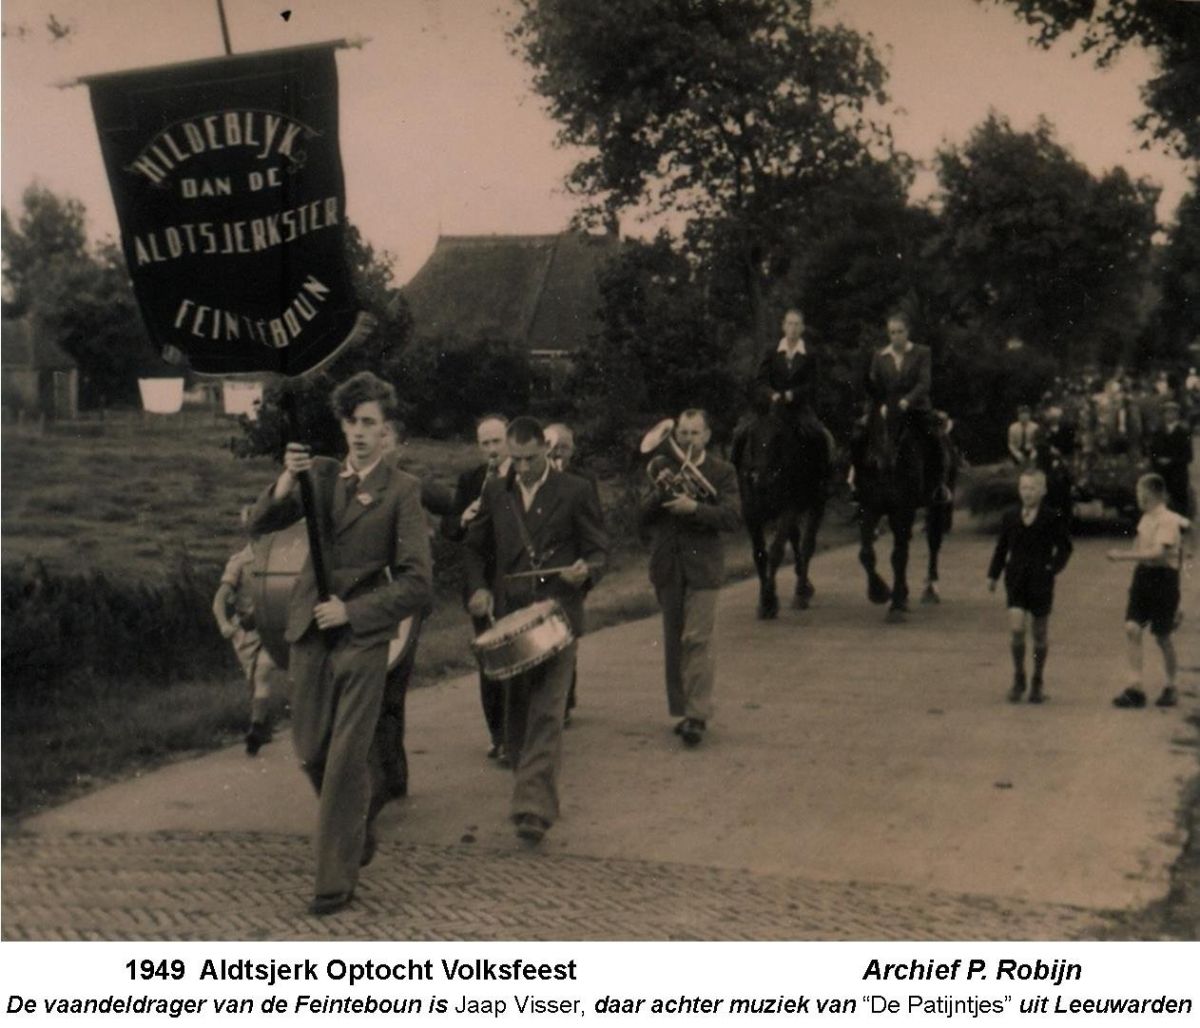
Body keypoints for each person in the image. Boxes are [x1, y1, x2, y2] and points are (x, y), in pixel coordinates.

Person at [249, 371, 432, 915]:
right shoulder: (321, 475)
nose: (358, 432)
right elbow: (262, 522)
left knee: (347, 758)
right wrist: (286, 480)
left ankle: (333, 882)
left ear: (387, 431)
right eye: (351, 421)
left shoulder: (403, 492)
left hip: (363, 637)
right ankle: (355, 833)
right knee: (310, 750)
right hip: (309, 631)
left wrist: (352, 610)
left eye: (369, 423)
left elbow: (419, 582)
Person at [464, 416, 608, 844]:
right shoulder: (496, 490)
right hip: (511, 617)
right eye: (516, 459)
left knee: (547, 711)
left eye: (529, 459)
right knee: (518, 715)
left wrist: (586, 570)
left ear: (546, 450)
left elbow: (598, 549)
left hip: (558, 617)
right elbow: (475, 548)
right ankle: (529, 783)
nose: (521, 468)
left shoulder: (575, 490)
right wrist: (478, 589)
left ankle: (532, 808)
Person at [365, 418, 456, 806]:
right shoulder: (352, 482)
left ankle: (392, 776)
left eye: (387, 437)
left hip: (405, 604)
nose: (379, 444)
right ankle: (377, 777)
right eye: (375, 436)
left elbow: (453, 506)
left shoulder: (410, 485)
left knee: (391, 691)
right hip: (364, 601)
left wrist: (436, 537)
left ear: (400, 445)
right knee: (367, 689)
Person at [639, 409, 741, 746]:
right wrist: (661, 493)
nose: (687, 440)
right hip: (668, 564)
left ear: (707, 436)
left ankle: (697, 715)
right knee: (674, 641)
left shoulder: (722, 472)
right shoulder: (660, 468)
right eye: (682, 433)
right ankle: (683, 710)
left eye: (695, 433)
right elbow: (641, 516)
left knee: (697, 639)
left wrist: (694, 508)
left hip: (703, 567)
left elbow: (732, 516)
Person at [442, 414, 512, 762]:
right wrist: (464, 518)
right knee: (490, 661)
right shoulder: (471, 480)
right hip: (481, 584)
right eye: (484, 444)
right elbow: (450, 530)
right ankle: (498, 735)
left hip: (515, 580)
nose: (491, 450)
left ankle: (520, 732)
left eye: (497, 442)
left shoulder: (521, 474)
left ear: (508, 441)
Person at [986, 469, 1073, 703]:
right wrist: (993, 575)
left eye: (1033, 488)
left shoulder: (1052, 516)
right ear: (1019, 490)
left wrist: (1052, 568)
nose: (1028, 493)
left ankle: (1037, 680)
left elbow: (1065, 548)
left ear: (1043, 491)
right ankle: (1018, 677)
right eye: (1024, 488)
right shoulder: (1011, 516)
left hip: (1040, 581)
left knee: (1039, 633)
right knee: (1016, 630)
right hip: (1015, 578)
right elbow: (1001, 548)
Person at [1109, 474, 1190, 710]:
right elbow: (1140, 546)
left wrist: (1123, 556)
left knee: (1162, 636)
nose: (1138, 498)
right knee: (1132, 628)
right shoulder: (1146, 518)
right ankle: (1135, 688)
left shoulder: (1167, 520)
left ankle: (1171, 685)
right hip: (1143, 578)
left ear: (1151, 494)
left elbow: (1159, 554)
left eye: (1140, 493)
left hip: (1163, 580)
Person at [543, 421, 601, 725]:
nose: (558, 452)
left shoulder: (583, 480)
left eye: (564, 447)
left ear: (573, 450)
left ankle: (565, 700)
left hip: (572, 567)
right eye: (552, 447)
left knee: (567, 635)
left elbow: (594, 526)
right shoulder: (536, 477)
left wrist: (587, 568)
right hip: (542, 570)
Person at [212, 515, 285, 755]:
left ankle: (256, 728)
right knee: (254, 682)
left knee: (263, 672)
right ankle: (263, 725)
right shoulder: (240, 562)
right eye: (258, 532)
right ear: (250, 534)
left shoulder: (278, 559)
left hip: (272, 628)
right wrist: (224, 624)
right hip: (247, 632)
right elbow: (220, 599)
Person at [864, 312, 947, 502]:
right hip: (888, 410)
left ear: (907, 332)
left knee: (934, 440)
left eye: (900, 331)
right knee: (863, 437)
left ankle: (938, 486)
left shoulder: (922, 352)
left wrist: (907, 400)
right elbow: (874, 385)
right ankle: (860, 485)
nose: (896, 336)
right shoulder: (879, 356)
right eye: (892, 332)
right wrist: (881, 404)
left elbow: (924, 383)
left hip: (915, 408)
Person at [754, 308, 831, 481]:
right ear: (783, 326)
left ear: (802, 328)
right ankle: (748, 476)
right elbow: (760, 381)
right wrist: (771, 394)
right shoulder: (772, 351)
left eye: (797, 324)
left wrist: (794, 394)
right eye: (790, 324)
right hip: (773, 408)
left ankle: (821, 480)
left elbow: (814, 383)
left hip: (799, 408)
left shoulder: (809, 354)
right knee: (745, 433)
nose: (793, 328)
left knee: (819, 436)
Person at [1146, 401, 1193, 517]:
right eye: (1167, 413)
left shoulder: (1183, 433)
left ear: (1177, 415)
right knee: (1159, 499)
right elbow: (1152, 451)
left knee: (1179, 499)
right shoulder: (1157, 432)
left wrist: (1172, 461)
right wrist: (1157, 460)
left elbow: (1188, 455)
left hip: (1177, 472)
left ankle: (1180, 523)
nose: (1169, 416)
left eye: (1173, 413)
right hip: (1161, 471)